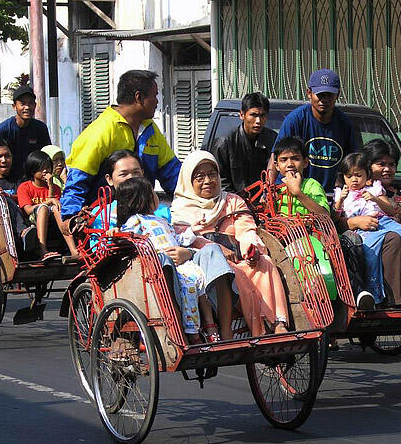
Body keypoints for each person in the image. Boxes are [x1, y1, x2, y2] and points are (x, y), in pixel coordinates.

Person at [171, 150, 289, 336]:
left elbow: (246, 229)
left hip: (240, 258)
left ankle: (278, 322)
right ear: (188, 180)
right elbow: (186, 241)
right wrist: (217, 249)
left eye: (212, 174)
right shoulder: (180, 209)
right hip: (209, 266)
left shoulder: (232, 201)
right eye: (199, 177)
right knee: (229, 271)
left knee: (264, 262)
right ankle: (258, 330)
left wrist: (251, 248)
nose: (208, 181)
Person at [61, 70, 181, 221]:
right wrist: (71, 218)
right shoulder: (101, 131)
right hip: (106, 223)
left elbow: (173, 174)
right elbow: (77, 182)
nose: (157, 101)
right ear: (139, 97)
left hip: (146, 219)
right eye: (154, 95)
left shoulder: (150, 129)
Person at [115, 177, 219, 344]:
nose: (156, 196)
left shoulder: (162, 220)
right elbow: (130, 239)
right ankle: (192, 332)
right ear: (144, 198)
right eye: (152, 193)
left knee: (202, 284)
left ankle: (209, 324)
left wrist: (193, 230)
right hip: (160, 267)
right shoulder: (135, 221)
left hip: (181, 264)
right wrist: (118, 234)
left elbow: (178, 239)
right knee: (189, 287)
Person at [335, 149, 401, 307]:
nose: (354, 180)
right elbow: (336, 217)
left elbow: (391, 210)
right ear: (344, 177)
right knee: (371, 253)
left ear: (367, 176)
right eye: (349, 176)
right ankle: (375, 296)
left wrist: (374, 198)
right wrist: (341, 201)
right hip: (362, 229)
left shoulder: (374, 188)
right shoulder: (341, 193)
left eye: (358, 175)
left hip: (384, 221)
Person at [266, 69, 356, 193]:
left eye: (329, 95)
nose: (324, 99)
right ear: (309, 93)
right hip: (293, 193)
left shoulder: (345, 124)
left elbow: (355, 162)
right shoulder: (295, 120)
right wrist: (269, 190)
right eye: (320, 94)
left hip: (330, 196)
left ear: (338, 94)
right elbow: (276, 156)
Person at [0, 85, 51, 180]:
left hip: (27, 179)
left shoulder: (40, 128)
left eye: (30, 103)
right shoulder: (3, 129)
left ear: (35, 106)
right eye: (22, 104)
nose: (27, 107)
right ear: (14, 107)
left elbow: (48, 154)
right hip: (2, 180)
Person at [17, 150, 77, 262]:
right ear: (33, 170)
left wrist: (50, 186)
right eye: (41, 168)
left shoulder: (55, 187)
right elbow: (28, 210)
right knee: (44, 208)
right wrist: (48, 202)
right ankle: (43, 250)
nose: (46, 171)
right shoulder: (24, 187)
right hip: (33, 220)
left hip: (53, 221)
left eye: (48, 167)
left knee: (56, 207)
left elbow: (56, 204)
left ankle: (73, 250)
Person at [211, 92, 277, 192]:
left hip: (267, 202)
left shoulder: (273, 139)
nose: (258, 120)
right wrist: (237, 202)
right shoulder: (225, 142)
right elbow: (220, 182)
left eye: (262, 115)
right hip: (234, 203)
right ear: (242, 115)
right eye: (253, 115)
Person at [272, 136, 330, 216]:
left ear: (305, 162)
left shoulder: (312, 185)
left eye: (295, 159)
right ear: (277, 165)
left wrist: (297, 192)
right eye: (284, 160)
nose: (290, 164)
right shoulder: (277, 190)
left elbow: (325, 216)